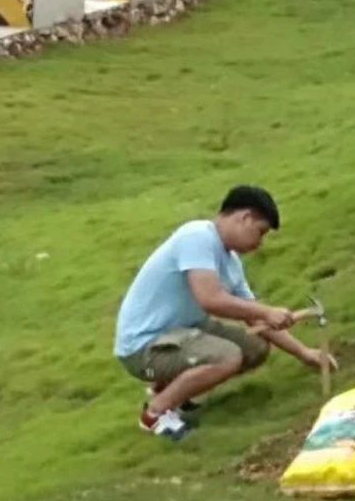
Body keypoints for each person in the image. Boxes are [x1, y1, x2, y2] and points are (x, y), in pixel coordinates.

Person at [113, 185, 338, 440]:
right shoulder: (197, 236)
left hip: (180, 333)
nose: (259, 243)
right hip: (143, 347)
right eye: (260, 232)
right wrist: (267, 311)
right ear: (245, 218)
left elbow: (254, 317)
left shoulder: (231, 263)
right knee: (226, 357)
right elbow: (210, 299)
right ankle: (154, 413)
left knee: (255, 347)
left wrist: (303, 353)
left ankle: (176, 390)